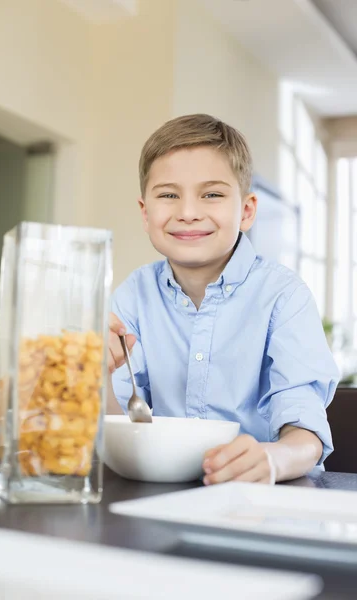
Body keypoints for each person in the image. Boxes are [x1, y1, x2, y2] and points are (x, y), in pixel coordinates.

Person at [107, 113, 339, 485]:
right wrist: (100, 375)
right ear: (145, 212)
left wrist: (272, 459)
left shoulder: (284, 297)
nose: (187, 213)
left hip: (261, 501)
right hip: (161, 493)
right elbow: (121, 422)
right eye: (168, 195)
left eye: (212, 195)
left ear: (246, 211)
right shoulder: (132, 296)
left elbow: (305, 433)